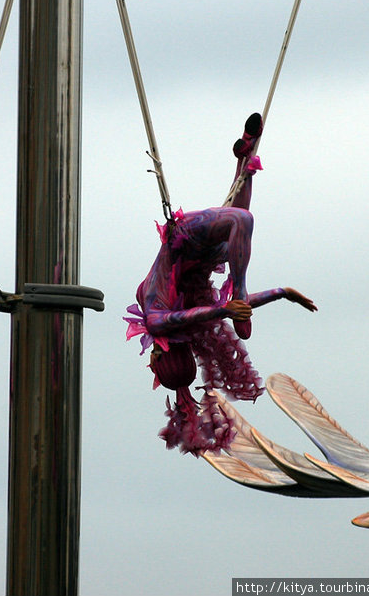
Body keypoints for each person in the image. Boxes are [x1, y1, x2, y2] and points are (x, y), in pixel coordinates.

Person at [125, 114, 316, 456]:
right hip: (206, 251)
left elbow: (200, 314)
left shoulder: (156, 320)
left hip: (183, 238)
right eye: (155, 359)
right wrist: (282, 293)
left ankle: (239, 284)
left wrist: (231, 305)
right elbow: (209, 314)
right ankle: (245, 154)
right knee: (239, 224)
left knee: (241, 220)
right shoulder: (189, 327)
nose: (151, 355)